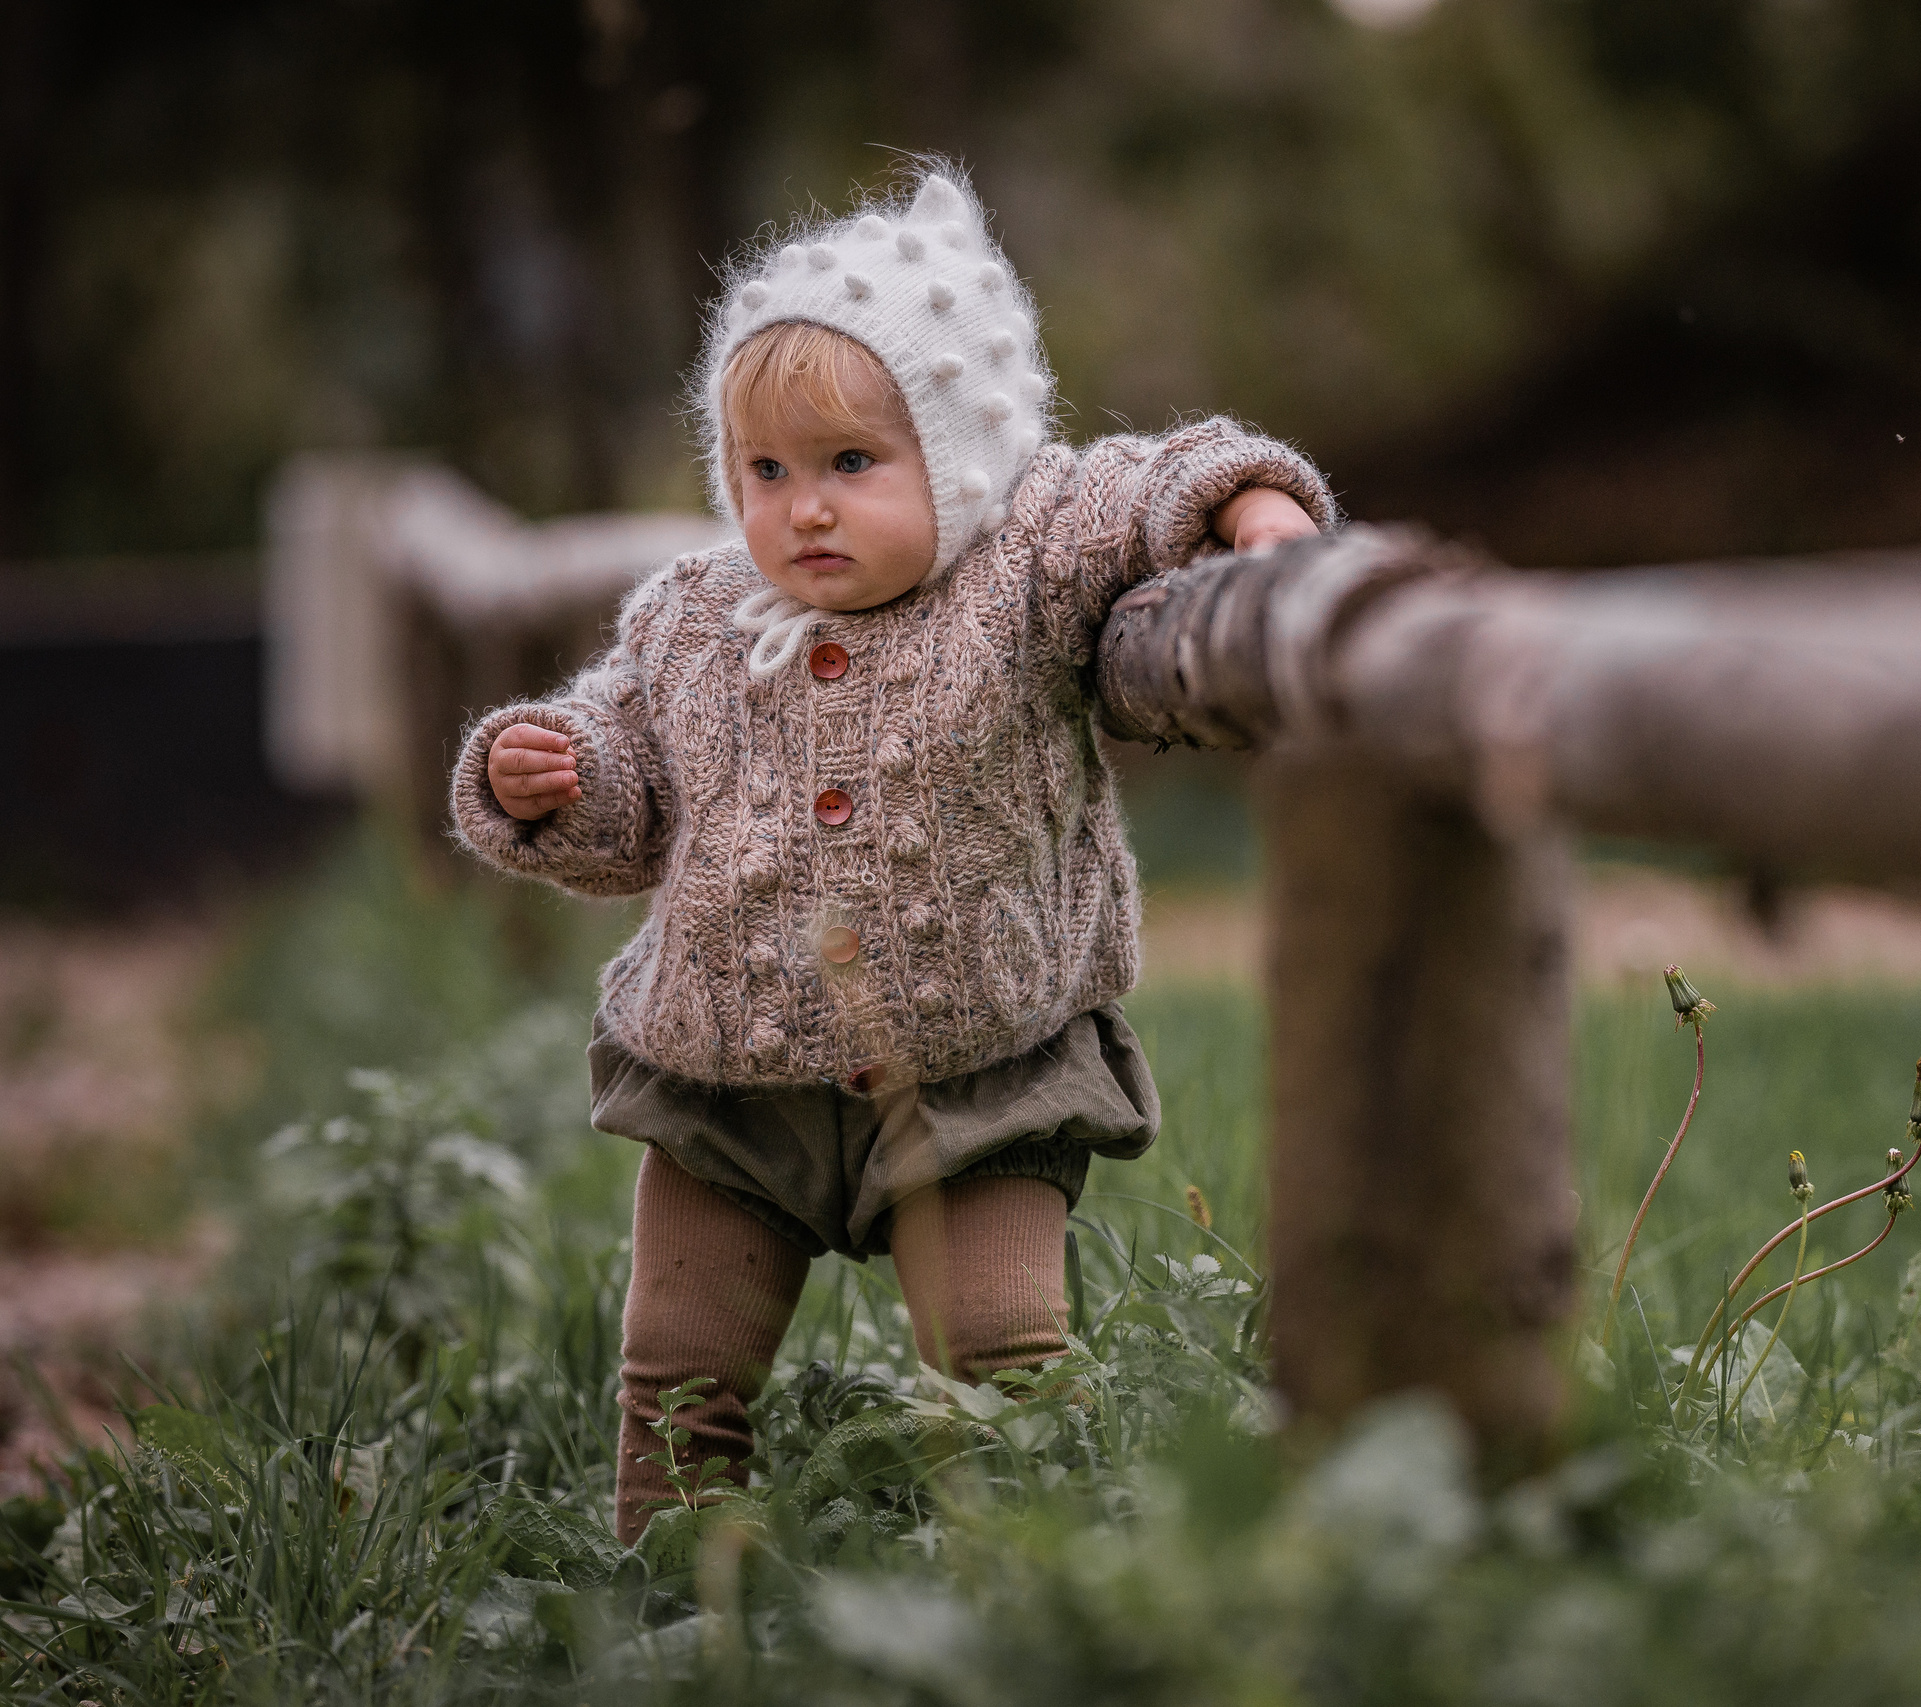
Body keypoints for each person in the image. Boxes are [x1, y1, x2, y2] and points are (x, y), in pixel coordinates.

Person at [449, 166, 1331, 1542]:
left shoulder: (1025, 556)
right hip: (726, 1090)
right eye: (768, 471)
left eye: (852, 464)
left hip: (980, 1078)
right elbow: (625, 792)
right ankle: (668, 1581)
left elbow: (1149, 475)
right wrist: (552, 779)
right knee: (680, 1382)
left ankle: (1026, 1583)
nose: (804, 509)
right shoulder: (694, 617)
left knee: (1001, 1365)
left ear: (961, 454)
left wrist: (1247, 511)